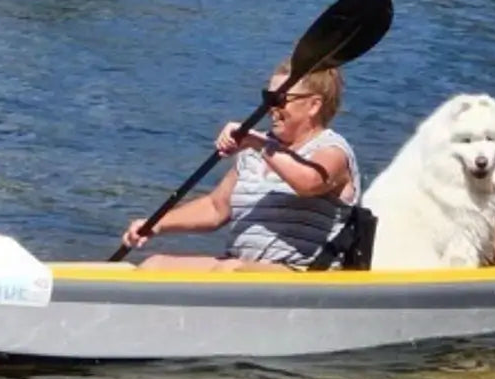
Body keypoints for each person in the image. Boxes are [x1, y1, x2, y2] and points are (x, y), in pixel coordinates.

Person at [121, 60, 360, 271]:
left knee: (231, 271)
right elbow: (216, 208)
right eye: (267, 98)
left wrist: (257, 143)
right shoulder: (257, 152)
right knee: (153, 265)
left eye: (278, 100)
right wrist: (157, 224)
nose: (270, 109)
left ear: (313, 105)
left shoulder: (332, 150)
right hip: (239, 267)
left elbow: (309, 182)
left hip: (301, 273)